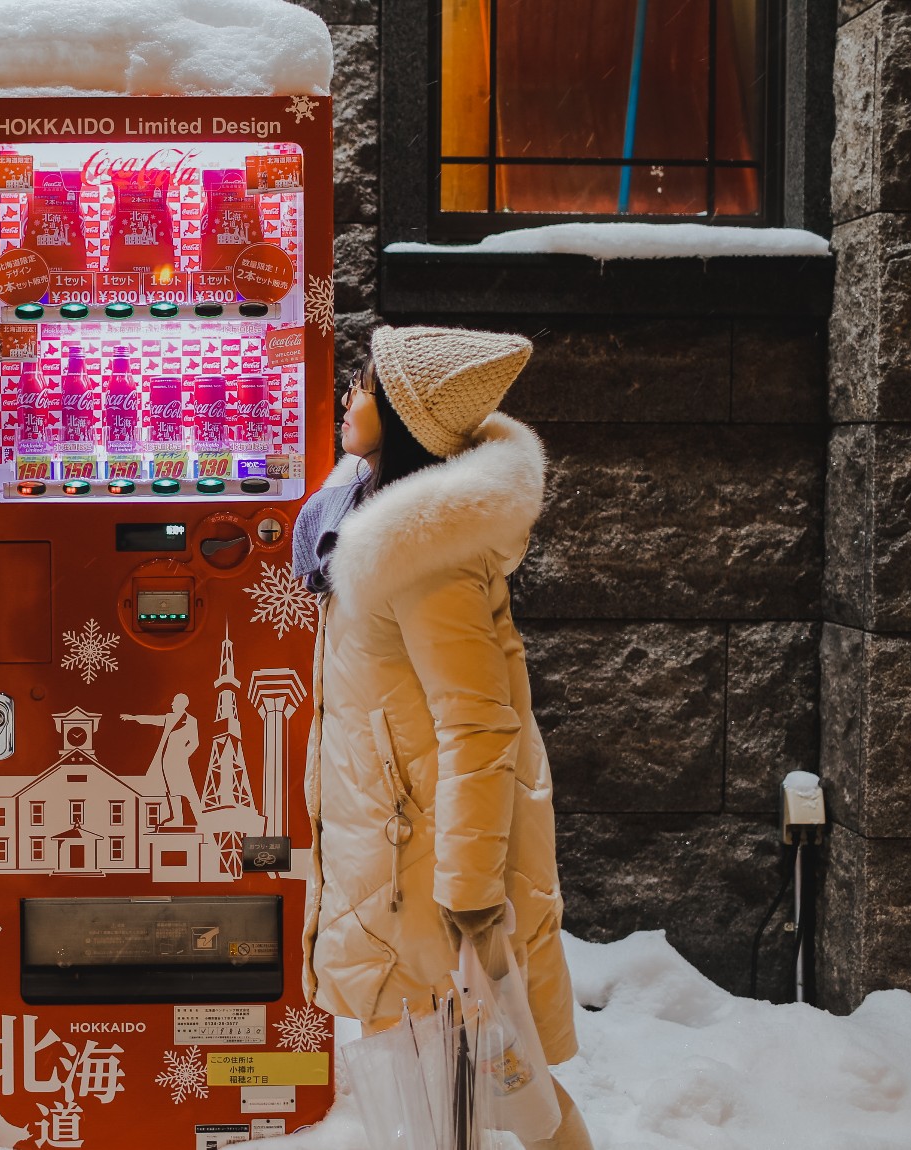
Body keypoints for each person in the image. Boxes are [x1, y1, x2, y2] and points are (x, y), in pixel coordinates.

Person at [296, 326, 592, 1149]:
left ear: (401, 415)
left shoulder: (422, 557)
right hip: (390, 861)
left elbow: (478, 726)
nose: (346, 398)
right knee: (448, 1101)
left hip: (423, 880)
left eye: (359, 385)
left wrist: (467, 897)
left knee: (481, 1100)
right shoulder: (362, 517)